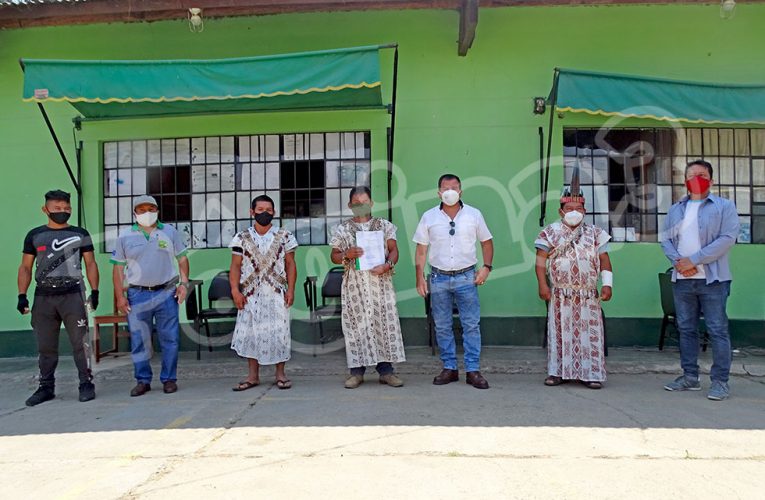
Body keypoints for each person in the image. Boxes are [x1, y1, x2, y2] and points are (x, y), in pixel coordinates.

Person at [660, 159, 739, 401]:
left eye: (702, 174)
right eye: (692, 174)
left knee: (717, 330)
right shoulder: (676, 209)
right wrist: (678, 262)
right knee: (686, 329)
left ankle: (720, 382)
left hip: (713, 280)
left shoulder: (724, 206)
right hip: (682, 279)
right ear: (685, 180)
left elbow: (727, 238)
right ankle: (689, 377)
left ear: (711, 180)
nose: (697, 178)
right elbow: (665, 240)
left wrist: (694, 260)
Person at [18, 189, 100, 406]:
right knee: (45, 345)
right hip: (44, 297)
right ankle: (46, 387)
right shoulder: (34, 235)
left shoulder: (80, 234)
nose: (62, 212)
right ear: (45, 209)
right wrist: (22, 295)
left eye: (66, 208)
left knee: (80, 343)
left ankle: (86, 383)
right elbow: (25, 267)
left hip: (73, 294)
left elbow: (90, 263)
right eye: (57, 208)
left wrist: (95, 290)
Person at [534, 167, 612, 390]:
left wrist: (607, 284)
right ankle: (557, 373)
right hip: (560, 293)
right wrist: (543, 284)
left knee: (590, 334)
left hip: (588, 294)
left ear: (585, 210)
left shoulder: (596, 233)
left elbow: (604, 260)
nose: (574, 211)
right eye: (569, 208)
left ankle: (591, 374)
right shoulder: (549, 233)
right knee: (560, 333)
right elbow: (540, 261)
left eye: (578, 208)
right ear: (561, 211)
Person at [414, 174, 494, 389]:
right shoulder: (429, 217)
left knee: (470, 324)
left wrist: (486, 267)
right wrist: (419, 277)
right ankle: (449, 368)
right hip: (438, 277)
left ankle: (472, 370)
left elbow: (487, 242)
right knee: (442, 325)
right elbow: (421, 250)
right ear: (438, 192)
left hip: (467, 276)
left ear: (461, 191)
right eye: (445, 188)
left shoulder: (474, 214)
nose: (449, 191)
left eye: (454, 187)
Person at [111, 195, 190, 397]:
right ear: (134, 212)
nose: (147, 213)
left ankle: (169, 379)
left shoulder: (169, 232)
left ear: (157, 210)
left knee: (170, 339)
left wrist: (184, 284)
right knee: (138, 339)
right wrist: (120, 296)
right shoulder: (125, 236)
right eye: (142, 209)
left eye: (151, 208)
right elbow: (118, 269)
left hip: (167, 292)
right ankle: (142, 380)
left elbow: (182, 259)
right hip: (137, 294)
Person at [329, 186, 406, 389]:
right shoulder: (342, 229)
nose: (360, 205)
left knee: (384, 323)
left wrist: (387, 265)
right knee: (356, 326)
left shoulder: (384, 226)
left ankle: (386, 372)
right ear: (350, 205)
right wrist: (347, 254)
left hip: (380, 283)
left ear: (371, 203)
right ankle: (357, 372)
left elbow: (394, 250)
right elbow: (334, 256)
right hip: (354, 286)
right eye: (356, 202)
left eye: (364, 201)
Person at [229, 195, 297, 391]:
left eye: (268, 210)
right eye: (260, 210)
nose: (264, 213)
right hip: (250, 294)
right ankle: (252, 376)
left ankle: (280, 374)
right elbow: (235, 266)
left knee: (279, 332)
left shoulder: (285, 236)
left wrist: (291, 289)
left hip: (276, 292)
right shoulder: (241, 237)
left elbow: (291, 264)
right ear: (252, 212)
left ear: (274, 213)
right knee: (250, 332)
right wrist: (235, 290)